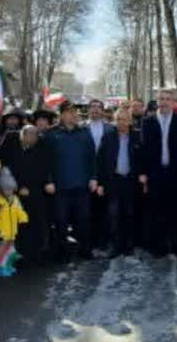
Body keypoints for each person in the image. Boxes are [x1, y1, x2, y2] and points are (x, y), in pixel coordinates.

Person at [140, 88, 177, 257]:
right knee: (156, 210)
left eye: (168, 99)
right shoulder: (148, 122)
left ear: (173, 102)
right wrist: (143, 172)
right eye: (161, 99)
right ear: (157, 101)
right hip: (155, 173)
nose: (164, 102)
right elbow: (144, 149)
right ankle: (159, 246)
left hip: (176, 172)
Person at [47, 102, 98, 261]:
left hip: (82, 185)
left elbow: (92, 158)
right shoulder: (51, 134)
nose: (74, 115)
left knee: (83, 219)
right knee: (61, 221)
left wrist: (94, 177)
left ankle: (85, 250)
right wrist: (49, 181)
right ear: (62, 115)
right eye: (70, 112)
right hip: (60, 186)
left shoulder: (84, 132)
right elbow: (46, 161)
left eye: (75, 112)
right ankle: (63, 253)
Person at [97, 108, 142, 257]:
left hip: (130, 180)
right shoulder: (108, 136)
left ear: (130, 121)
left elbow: (143, 158)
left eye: (125, 119)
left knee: (129, 214)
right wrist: (100, 183)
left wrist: (142, 175)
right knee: (113, 214)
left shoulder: (137, 136)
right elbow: (100, 161)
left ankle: (129, 245)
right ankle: (116, 245)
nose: (122, 122)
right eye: (119, 119)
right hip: (113, 180)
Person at [11, 125, 54, 265]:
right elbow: (10, 173)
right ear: (22, 136)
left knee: (37, 225)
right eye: (29, 134)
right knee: (22, 227)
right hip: (19, 196)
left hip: (38, 194)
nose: (33, 137)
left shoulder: (42, 152)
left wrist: (48, 183)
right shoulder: (14, 152)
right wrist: (18, 188)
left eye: (35, 135)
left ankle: (37, 255)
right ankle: (22, 255)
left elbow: (47, 170)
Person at [85, 99, 111, 250]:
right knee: (87, 210)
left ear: (103, 110)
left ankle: (104, 240)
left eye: (98, 107)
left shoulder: (110, 129)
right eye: (92, 107)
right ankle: (89, 241)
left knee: (104, 209)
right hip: (86, 174)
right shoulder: (81, 128)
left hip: (104, 173)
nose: (95, 109)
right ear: (88, 110)